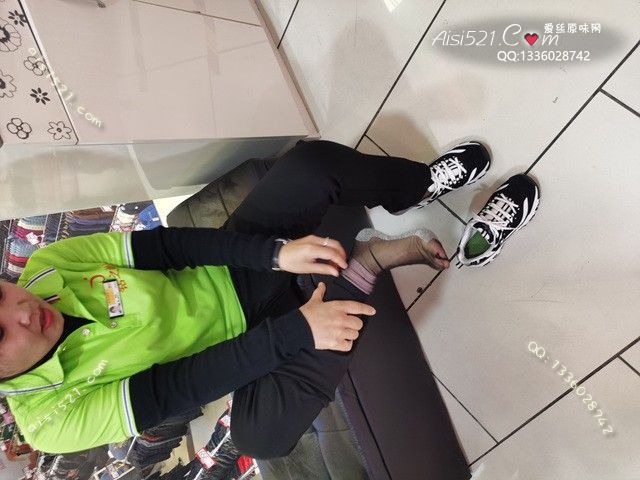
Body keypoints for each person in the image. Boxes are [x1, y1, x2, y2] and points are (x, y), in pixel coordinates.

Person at [0, 139, 491, 459]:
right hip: (242, 350)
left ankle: (416, 187)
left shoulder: (49, 265)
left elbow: (171, 247)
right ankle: (367, 262)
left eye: (1, 295)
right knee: (262, 437)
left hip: (231, 273)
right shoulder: (49, 422)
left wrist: (275, 253)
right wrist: (295, 331)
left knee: (309, 166)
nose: (23, 311)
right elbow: (178, 387)